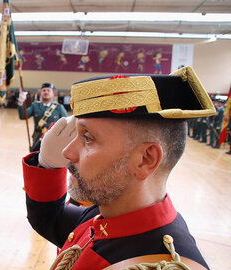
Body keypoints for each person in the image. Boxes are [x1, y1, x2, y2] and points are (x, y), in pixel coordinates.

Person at [23, 66, 212, 269]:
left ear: (146, 159)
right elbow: (49, 218)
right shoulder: (108, 212)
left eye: (87, 138)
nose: (67, 153)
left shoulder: (159, 262)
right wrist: (46, 165)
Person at [17, 82, 67, 151]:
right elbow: (23, 116)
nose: (46, 92)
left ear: (53, 94)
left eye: (48, 90)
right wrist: (21, 102)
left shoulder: (59, 107)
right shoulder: (35, 106)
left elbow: (66, 124)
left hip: (54, 141)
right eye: (44, 90)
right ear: (40, 93)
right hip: (38, 140)